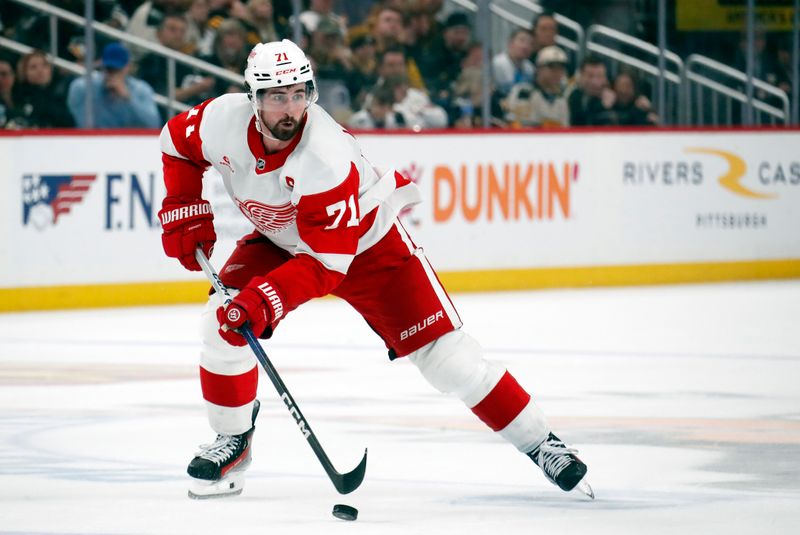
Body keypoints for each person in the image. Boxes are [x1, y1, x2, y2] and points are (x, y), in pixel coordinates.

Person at [157, 38, 592, 500]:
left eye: (299, 94)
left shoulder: (324, 157)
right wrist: (184, 204)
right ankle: (233, 440)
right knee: (219, 324)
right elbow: (175, 144)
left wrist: (265, 300)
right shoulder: (220, 119)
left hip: (367, 246)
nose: (291, 109)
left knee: (449, 362)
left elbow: (327, 264)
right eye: (277, 96)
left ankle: (541, 443)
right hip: (282, 239)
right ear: (254, 98)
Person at [66, 43, 161, 128]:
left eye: (117, 69)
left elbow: (154, 124)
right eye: (109, 69)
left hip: (129, 142)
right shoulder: (83, 87)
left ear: (128, 67)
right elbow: (82, 123)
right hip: (95, 141)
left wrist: (129, 99)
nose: (112, 74)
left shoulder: (141, 89)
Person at [506, 45, 569, 128]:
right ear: (539, 68)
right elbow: (519, 126)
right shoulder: (524, 92)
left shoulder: (561, 99)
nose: (557, 72)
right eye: (552, 67)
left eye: (561, 68)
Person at [12, 50, 75, 128]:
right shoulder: (18, 97)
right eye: (33, 67)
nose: (40, 70)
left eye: (45, 65)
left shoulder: (63, 93)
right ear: (24, 73)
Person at [567, 55, 616, 126]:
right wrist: (602, 107)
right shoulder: (573, 98)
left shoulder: (617, 97)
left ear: (606, 79)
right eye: (590, 76)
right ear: (580, 77)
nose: (595, 82)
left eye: (600, 76)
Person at [492, 28, 535, 97]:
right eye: (522, 41)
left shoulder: (530, 68)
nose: (525, 46)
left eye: (530, 43)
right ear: (510, 43)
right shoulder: (496, 64)